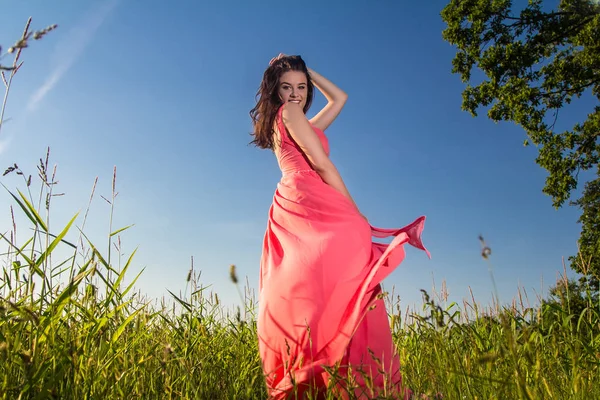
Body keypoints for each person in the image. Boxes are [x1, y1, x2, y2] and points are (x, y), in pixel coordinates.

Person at [250, 54, 430, 399]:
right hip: (312, 197)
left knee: (321, 283)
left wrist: (304, 69)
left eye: (301, 87)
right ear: (274, 89)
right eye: (286, 87)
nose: (295, 93)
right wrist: (355, 212)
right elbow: (322, 164)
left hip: (294, 200)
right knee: (352, 263)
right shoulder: (289, 114)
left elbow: (340, 98)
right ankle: (364, 380)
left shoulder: (291, 120)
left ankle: (325, 365)